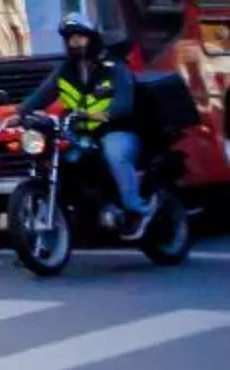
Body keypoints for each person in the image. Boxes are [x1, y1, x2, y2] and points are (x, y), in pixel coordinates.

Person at [21, 14, 146, 230]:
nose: (74, 43)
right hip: (81, 132)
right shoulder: (65, 70)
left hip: (115, 129)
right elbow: (42, 95)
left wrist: (107, 114)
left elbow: (124, 103)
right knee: (63, 154)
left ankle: (134, 208)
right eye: (70, 39)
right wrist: (20, 112)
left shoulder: (114, 66)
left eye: (80, 37)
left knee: (114, 155)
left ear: (92, 38)